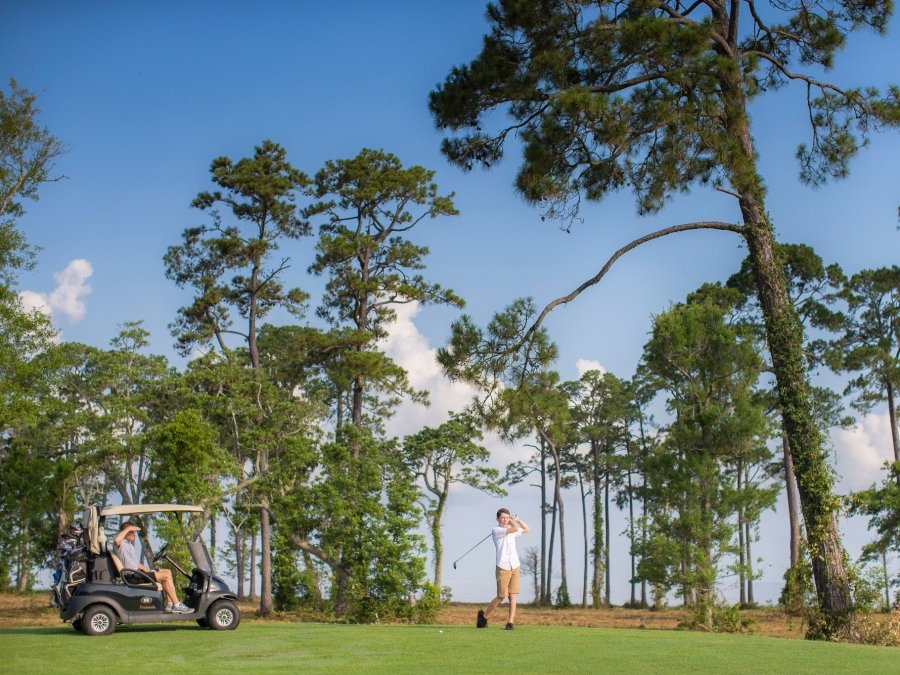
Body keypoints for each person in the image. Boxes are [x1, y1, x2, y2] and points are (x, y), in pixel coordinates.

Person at [114, 521, 191, 613]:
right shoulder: (121, 544)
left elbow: (135, 563)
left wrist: (149, 570)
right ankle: (177, 605)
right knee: (166, 576)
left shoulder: (129, 545)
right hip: (132, 576)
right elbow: (116, 540)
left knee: (167, 572)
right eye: (132, 532)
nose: (135, 534)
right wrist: (129, 528)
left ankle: (170, 605)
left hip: (138, 573)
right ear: (126, 532)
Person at [477, 507, 529, 630]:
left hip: (515, 565)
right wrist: (512, 521)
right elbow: (515, 528)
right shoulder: (496, 530)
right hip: (503, 566)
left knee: (512, 596)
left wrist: (518, 519)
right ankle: (484, 617)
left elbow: (527, 529)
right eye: (503, 517)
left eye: (507, 517)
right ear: (498, 519)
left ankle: (510, 623)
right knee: (502, 596)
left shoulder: (510, 529)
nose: (505, 520)